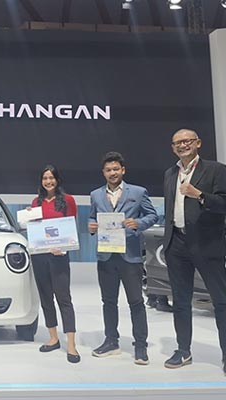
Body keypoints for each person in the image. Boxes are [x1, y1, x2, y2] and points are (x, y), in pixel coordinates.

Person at [163, 128, 226, 374]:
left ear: (198, 143)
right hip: (177, 244)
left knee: (221, 301)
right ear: (172, 148)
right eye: (177, 142)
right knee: (180, 301)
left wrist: (199, 195)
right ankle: (183, 350)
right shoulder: (170, 173)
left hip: (207, 244)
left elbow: (223, 203)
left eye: (187, 141)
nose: (182, 145)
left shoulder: (216, 170)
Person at [88, 152, 158, 365]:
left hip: (130, 256)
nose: (112, 173)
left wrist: (138, 224)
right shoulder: (95, 195)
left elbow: (152, 215)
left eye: (116, 169)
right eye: (108, 170)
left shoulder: (138, 192)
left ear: (123, 170)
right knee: (108, 301)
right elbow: (92, 217)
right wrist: (92, 226)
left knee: (136, 302)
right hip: (106, 255)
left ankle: (141, 346)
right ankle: (111, 341)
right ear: (103, 172)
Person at [30, 164, 80, 363]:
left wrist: (64, 247)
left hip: (59, 256)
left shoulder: (67, 200)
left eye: (51, 178)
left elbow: (72, 227)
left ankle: (71, 344)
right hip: (40, 256)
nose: (48, 181)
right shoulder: (36, 202)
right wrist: (28, 217)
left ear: (57, 180)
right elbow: (34, 229)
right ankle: (53, 338)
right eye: (45, 178)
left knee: (63, 298)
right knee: (46, 298)